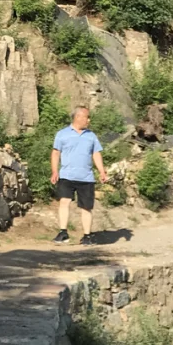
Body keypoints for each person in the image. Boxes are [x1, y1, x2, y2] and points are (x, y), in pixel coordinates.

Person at [50, 105, 108, 244]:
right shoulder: (62, 134)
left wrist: (102, 171)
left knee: (86, 207)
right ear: (78, 117)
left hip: (86, 177)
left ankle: (87, 236)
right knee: (64, 202)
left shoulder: (91, 136)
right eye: (86, 117)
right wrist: (54, 171)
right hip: (66, 175)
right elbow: (56, 153)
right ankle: (63, 233)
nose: (88, 120)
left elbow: (96, 153)